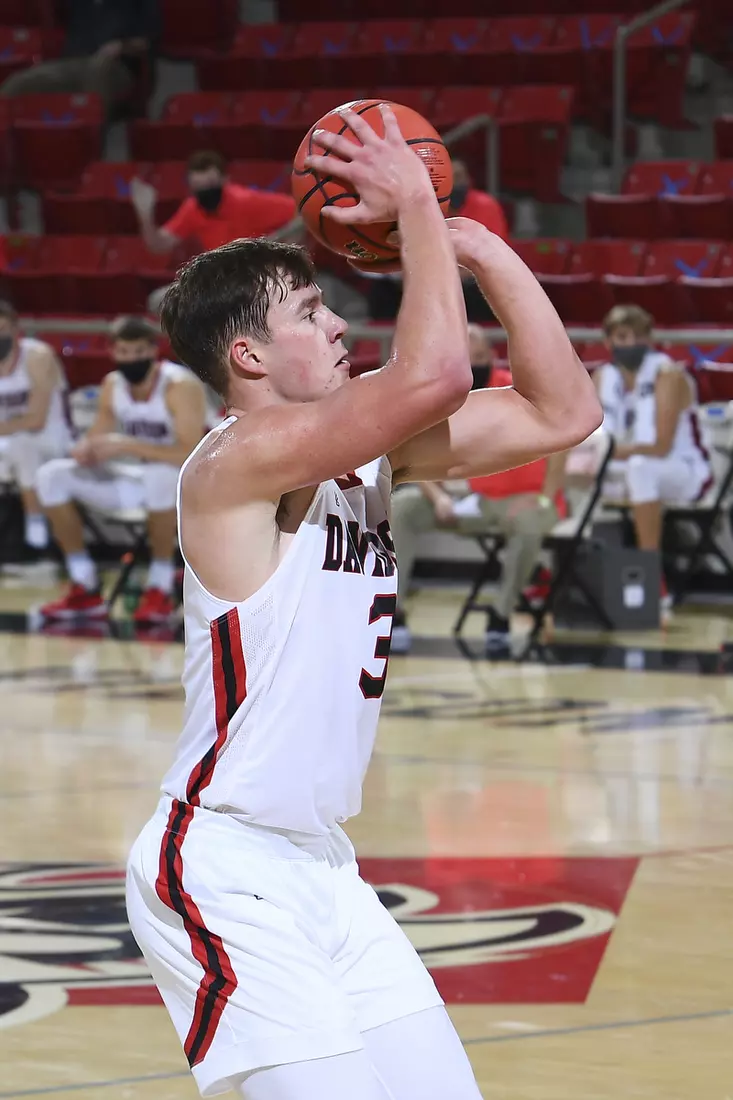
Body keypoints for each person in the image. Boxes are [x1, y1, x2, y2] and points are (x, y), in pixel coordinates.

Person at [125, 105, 601, 1100]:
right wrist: (423, 209)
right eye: (308, 309)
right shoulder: (238, 459)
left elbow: (565, 410)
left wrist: (477, 246)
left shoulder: (366, 452)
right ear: (248, 357)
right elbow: (434, 373)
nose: (339, 320)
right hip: (223, 861)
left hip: (323, 866)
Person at [390, 326, 567, 653]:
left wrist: (543, 497)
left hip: (531, 500)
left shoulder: (516, 390)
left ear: (493, 357)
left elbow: (560, 445)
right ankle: (393, 612)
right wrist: (439, 497)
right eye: (467, 359)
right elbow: (407, 455)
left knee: (529, 524)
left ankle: (501, 615)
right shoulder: (441, 398)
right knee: (405, 506)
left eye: (482, 357)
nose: (476, 364)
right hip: (479, 502)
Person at [36, 315, 207, 624]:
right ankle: (84, 583)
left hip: (198, 486)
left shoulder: (179, 386)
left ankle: (161, 584)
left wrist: (125, 445)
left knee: (160, 474)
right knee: (51, 475)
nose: (132, 359)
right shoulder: (112, 384)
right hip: (147, 482)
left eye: (139, 351)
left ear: (154, 351)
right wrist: (86, 450)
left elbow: (189, 455)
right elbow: (99, 436)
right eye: (125, 352)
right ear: (113, 353)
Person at [596, 304, 713, 613]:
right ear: (608, 342)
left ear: (650, 340)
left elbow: (660, 446)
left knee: (640, 467)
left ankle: (651, 577)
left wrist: (606, 451)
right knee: (566, 468)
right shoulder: (602, 377)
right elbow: (593, 438)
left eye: (638, 337)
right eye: (622, 336)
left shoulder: (668, 375)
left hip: (684, 471)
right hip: (625, 468)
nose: (631, 344)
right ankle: (560, 579)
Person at [367, 155, 509, 322]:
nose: (456, 183)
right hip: (425, 274)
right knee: (383, 289)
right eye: (451, 177)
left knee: (477, 291)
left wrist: (442, 278)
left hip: (467, 277)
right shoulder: (419, 203)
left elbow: (492, 256)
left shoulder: (486, 205)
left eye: (460, 177)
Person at [0, 0, 159, 120]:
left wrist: (120, 46)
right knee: (19, 82)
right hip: (73, 63)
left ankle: (89, 142)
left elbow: (147, 41)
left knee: (98, 68)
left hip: (117, 66)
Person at [0, 301, 73, 551]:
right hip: (7, 438)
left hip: (53, 437)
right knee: (18, 445)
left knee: (24, 445)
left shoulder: (37, 357)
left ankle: (35, 522)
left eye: (2, 329)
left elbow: (35, 420)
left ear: (15, 329)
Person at [131, 150, 298, 257]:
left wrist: (278, 243)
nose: (205, 193)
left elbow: (301, 212)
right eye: (198, 188)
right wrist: (145, 215)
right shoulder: (193, 207)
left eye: (210, 185)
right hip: (222, 277)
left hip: (258, 274)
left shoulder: (246, 201)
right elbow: (159, 245)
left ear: (225, 180)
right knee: (158, 300)